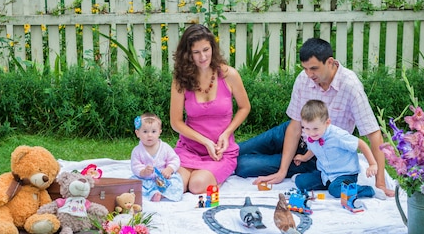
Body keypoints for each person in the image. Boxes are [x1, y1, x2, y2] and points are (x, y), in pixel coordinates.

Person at [235, 37, 394, 197]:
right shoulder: (303, 79)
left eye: (314, 68)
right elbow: (295, 126)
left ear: (330, 62)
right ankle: (210, 158)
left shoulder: (350, 86)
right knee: (236, 150)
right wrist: (282, 171)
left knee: (243, 166)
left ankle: (273, 163)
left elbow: (373, 134)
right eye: (305, 68)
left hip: (317, 153)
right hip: (293, 132)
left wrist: (380, 183)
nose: (309, 74)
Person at [170, 24, 251, 194]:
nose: (203, 56)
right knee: (176, 184)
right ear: (187, 54)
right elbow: (176, 122)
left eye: (206, 49)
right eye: (196, 52)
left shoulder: (229, 75)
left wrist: (227, 133)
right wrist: (204, 141)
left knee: (197, 185)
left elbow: (244, 107)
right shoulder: (180, 80)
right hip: (189, 148)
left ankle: (217, 176)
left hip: (220, 151)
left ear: (213, 48)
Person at [293, 99, 386, 201]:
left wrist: (372, 164)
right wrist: (304, 158)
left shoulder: (337, 135)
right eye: (306, 128)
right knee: (300, 183)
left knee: (335, 190)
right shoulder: (312, 136)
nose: (311, 133)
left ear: (327, 123)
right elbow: (314, 149)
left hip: (346, 174)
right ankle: (329, 184)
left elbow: (361, 144)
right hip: (326, 173)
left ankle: (368, 190)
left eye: (315, 129)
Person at [130, 113, 184, 202]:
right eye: (145, 132)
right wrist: (143, 171)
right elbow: (135, 166)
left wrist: (169, 169)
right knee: (133, 184)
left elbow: (174, 159)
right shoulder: (137, 151)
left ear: (159, 132)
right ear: (137, 133)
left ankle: (163, 195)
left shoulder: (165, 147)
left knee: (176, 182)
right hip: (146, 179)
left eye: (153, 131)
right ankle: (152, 194)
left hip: (163, 179)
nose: (150, 135)